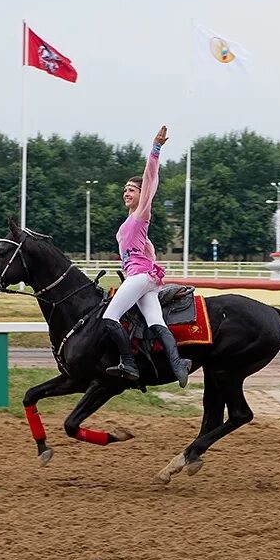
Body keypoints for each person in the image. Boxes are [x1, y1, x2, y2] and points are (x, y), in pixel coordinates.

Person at [101, 125, 191, 387]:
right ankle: (178, 364)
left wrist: (155, 149)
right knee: (154, 320)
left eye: (132, 189)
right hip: (144, 277)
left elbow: (150, 179)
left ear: (142, 197)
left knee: (109, 317)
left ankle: (128, 364)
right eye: (125, 189)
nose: (126, 192)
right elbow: (145, 252)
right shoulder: (129, 223)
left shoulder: (141, 215)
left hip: (141, 277)